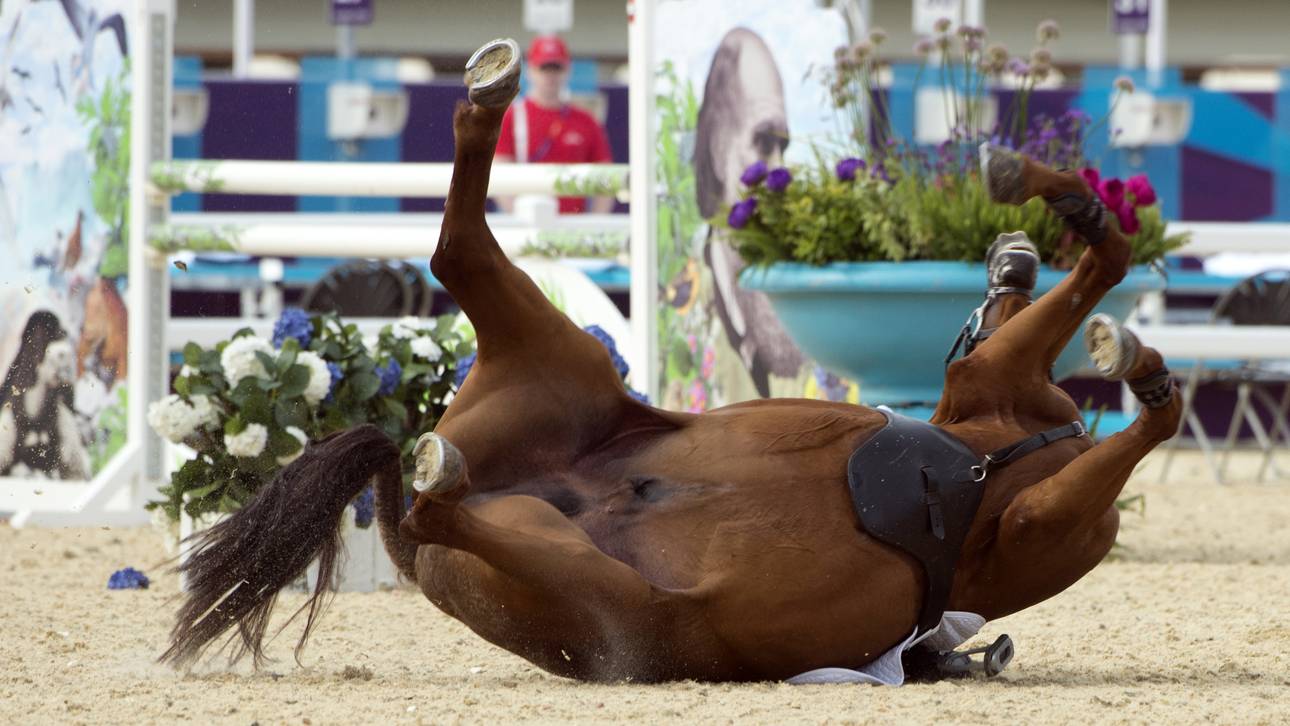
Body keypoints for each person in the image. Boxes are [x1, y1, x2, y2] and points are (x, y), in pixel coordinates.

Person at [493, 35, 615, 214]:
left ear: (567, 70)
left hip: (573, 228)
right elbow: (499, 175)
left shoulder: (585, 121)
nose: (550, 76)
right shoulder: (512, 117)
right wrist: (519, 219)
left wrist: (594, 224)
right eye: (544, 68)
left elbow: (607, 177)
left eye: (556, 68)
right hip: (529, 224)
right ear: (530, 70)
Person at [0, 310, 92, 479]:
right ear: (39, 357)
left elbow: (75, 471)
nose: (59, 367)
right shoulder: (12, 412)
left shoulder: (58, 412)